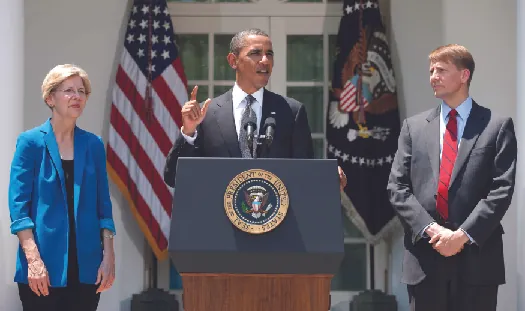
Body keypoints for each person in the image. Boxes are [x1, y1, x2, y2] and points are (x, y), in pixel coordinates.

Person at [387, 44, 517, 311]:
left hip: (477, 260)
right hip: (425, 258)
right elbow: (397, 188)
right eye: (431, 70)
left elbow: (501, 189)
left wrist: (462, 236)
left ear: (464, 75)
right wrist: (432, 230)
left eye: (441, 70)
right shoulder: (413, 128)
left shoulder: (496, 126)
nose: (433, 76)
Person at [163, 28, 347, 189]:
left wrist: (326, 178)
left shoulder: (291, 111)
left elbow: (303, 173)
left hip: (276, 223)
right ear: (233, 61)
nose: (265, 60)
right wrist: (188, 132)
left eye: (270, 54)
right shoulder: (207, 113)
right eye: (256, 53)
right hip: (219, 224)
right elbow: (174, 178)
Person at [8, 64, 116, 311]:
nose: (77, 96)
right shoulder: (30, 143)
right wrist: (33, 259)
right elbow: (18, 208)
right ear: (50, 98)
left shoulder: (93, 145)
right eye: (68, 90)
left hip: (87, 268)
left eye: (81, 91)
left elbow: (104, 207)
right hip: (42, 267)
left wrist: (108, 256)